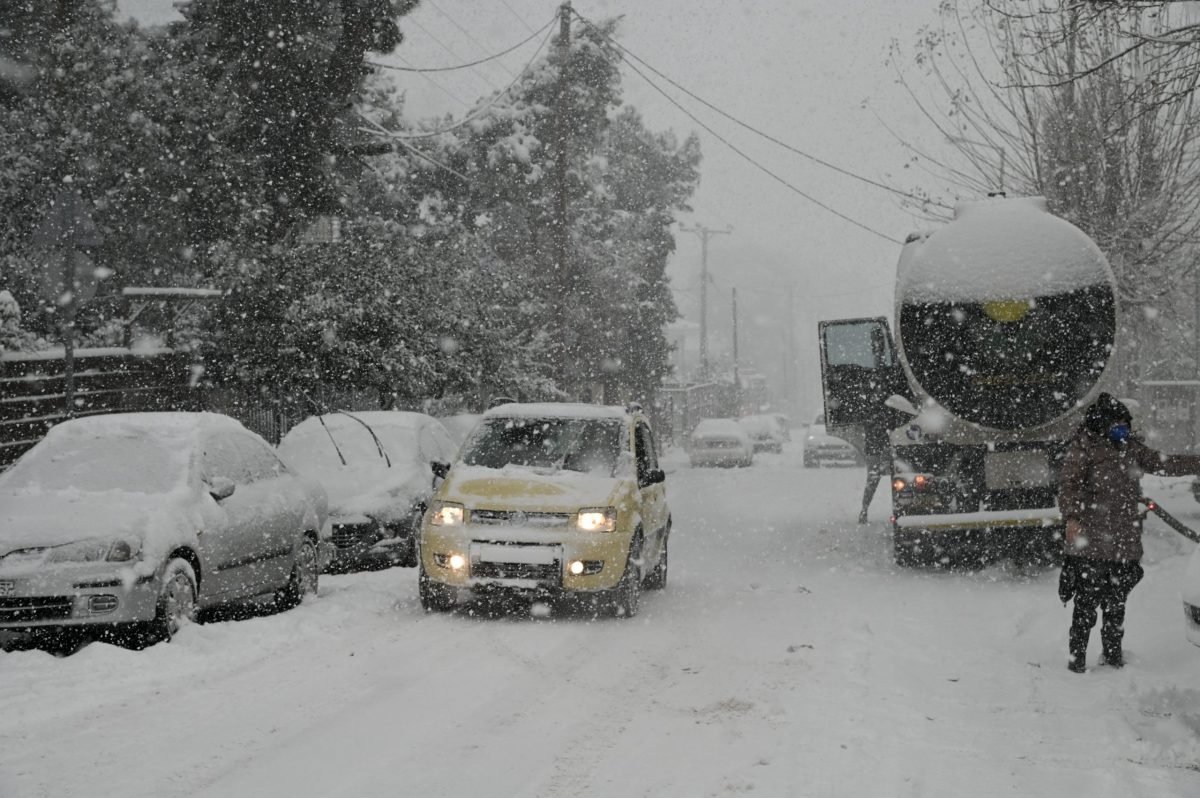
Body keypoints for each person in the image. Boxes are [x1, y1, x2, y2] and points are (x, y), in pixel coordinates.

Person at [1057, 392, 1200, 673]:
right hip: (1091, 541)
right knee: (1086, 604)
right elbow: (1068, 486)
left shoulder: (1131, 448)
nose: (1124, 429)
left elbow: (1164, 463)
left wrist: (1197, 462)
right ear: (1103, 424)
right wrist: (1072, 518)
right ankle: (1077, 662)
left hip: (1123, 540)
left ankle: (1113, 656)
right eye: (1118, 424)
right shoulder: (1083, 448)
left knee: (1116, 603)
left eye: (1126, 424)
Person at [858, 420, 890, 525]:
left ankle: (864, 509)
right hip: (885, 447)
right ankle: (864, 509)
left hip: (874, 448)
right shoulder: (889, 411)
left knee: (872, 480)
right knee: (873, 480)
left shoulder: (870, 413)